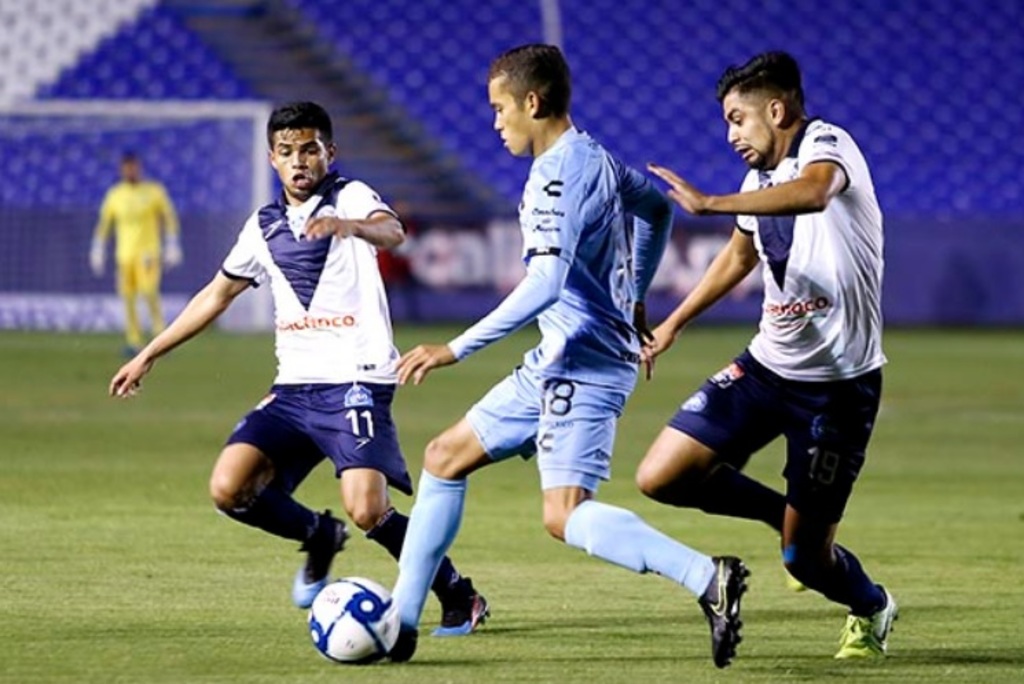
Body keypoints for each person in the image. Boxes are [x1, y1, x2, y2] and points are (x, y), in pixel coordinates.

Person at [388, 45, 748, 668]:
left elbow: (546, 284)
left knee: (564, 516)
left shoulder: (556, 177)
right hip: (557, 360)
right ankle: (401, 623)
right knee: (444, 457)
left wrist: (456, 347)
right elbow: (656, 209)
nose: (495, 122)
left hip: (583, 367)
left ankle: (706, 577)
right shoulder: (594, 155)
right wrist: (635, 295)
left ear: (532, 102)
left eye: (499, 108)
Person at [108, 101, 488, 636]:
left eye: (309, 149)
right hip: (293, 390)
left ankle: (458, 594)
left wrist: (348, 226)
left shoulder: (350, 196)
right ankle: (318, 536)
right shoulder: (262, 226)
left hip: (356, 381)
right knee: (229, 488)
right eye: (286, 151)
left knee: (367, 509)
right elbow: (216, 295)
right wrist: (149, 353)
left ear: (329, 152)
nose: (299, 161)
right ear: (272, 159)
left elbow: (392, 231)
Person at [641, 51, 897, 659]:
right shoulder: (757, 184)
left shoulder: (827, 145)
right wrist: (673, 323)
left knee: (806, 561)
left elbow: (815, 193)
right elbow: (738, 256)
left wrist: (709, 203)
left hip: (837, 389)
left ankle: (872, 606)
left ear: (776, 111)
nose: (730, 135)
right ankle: (785, 513)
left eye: (737, 119)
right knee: (661, 476)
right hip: (765, 369)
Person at [90, 152, 183, 356]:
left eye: (133, 167)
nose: (130, 171)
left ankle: (161, 337)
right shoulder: (115, 195)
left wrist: (172, 243)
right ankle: (134, 341)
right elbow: (105, 224)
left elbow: (168, 217)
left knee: (149, 291)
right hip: (124, 255)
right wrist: (98, 248)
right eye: (126, 168)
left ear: (139, 168)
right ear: (121, 170)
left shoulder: (154, 191)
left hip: (148, 253)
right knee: (128, 297)